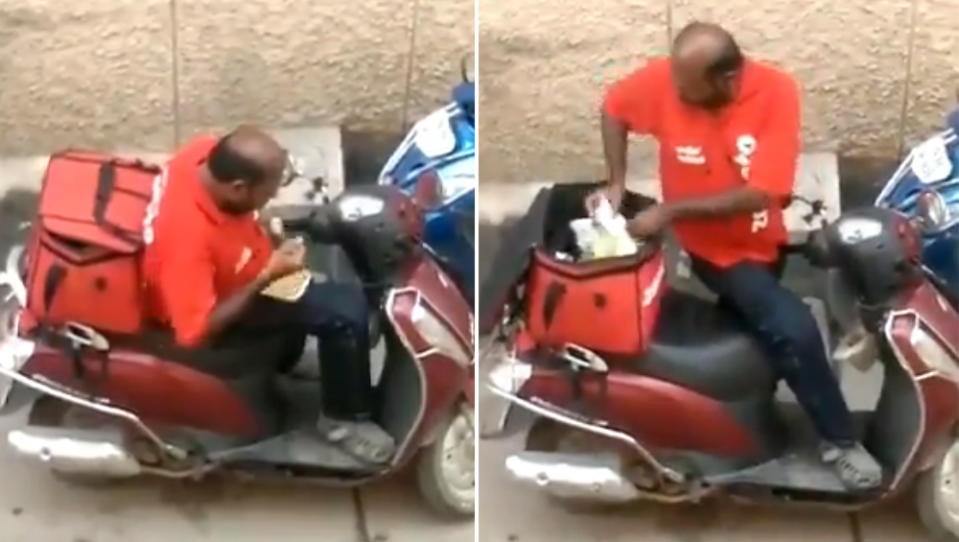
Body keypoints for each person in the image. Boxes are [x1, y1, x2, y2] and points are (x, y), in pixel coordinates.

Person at [591, 22, 881, 489]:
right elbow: (614, 107)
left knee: (752, 337)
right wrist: (615, 181)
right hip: (715, 253)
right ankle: (839, 440)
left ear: (727, 79)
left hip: (761, 242)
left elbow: (763, 192)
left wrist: (668, 210)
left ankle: (737, 425)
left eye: (688, 91)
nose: (676, 96)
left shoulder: (776, 93)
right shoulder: (673, 80)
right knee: (794, 330)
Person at [141, 126, 395, 464]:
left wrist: (268, 235)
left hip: (245, 271)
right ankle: (342, 421)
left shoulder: (202, 154)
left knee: (337, 297)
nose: (272, 198)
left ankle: (293, 358)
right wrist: (266, 277)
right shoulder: (185, 242)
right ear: (238, 188)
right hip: (226, 306)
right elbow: (195, 333)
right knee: (344, 316)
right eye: (268, 192)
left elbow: (243, 215)